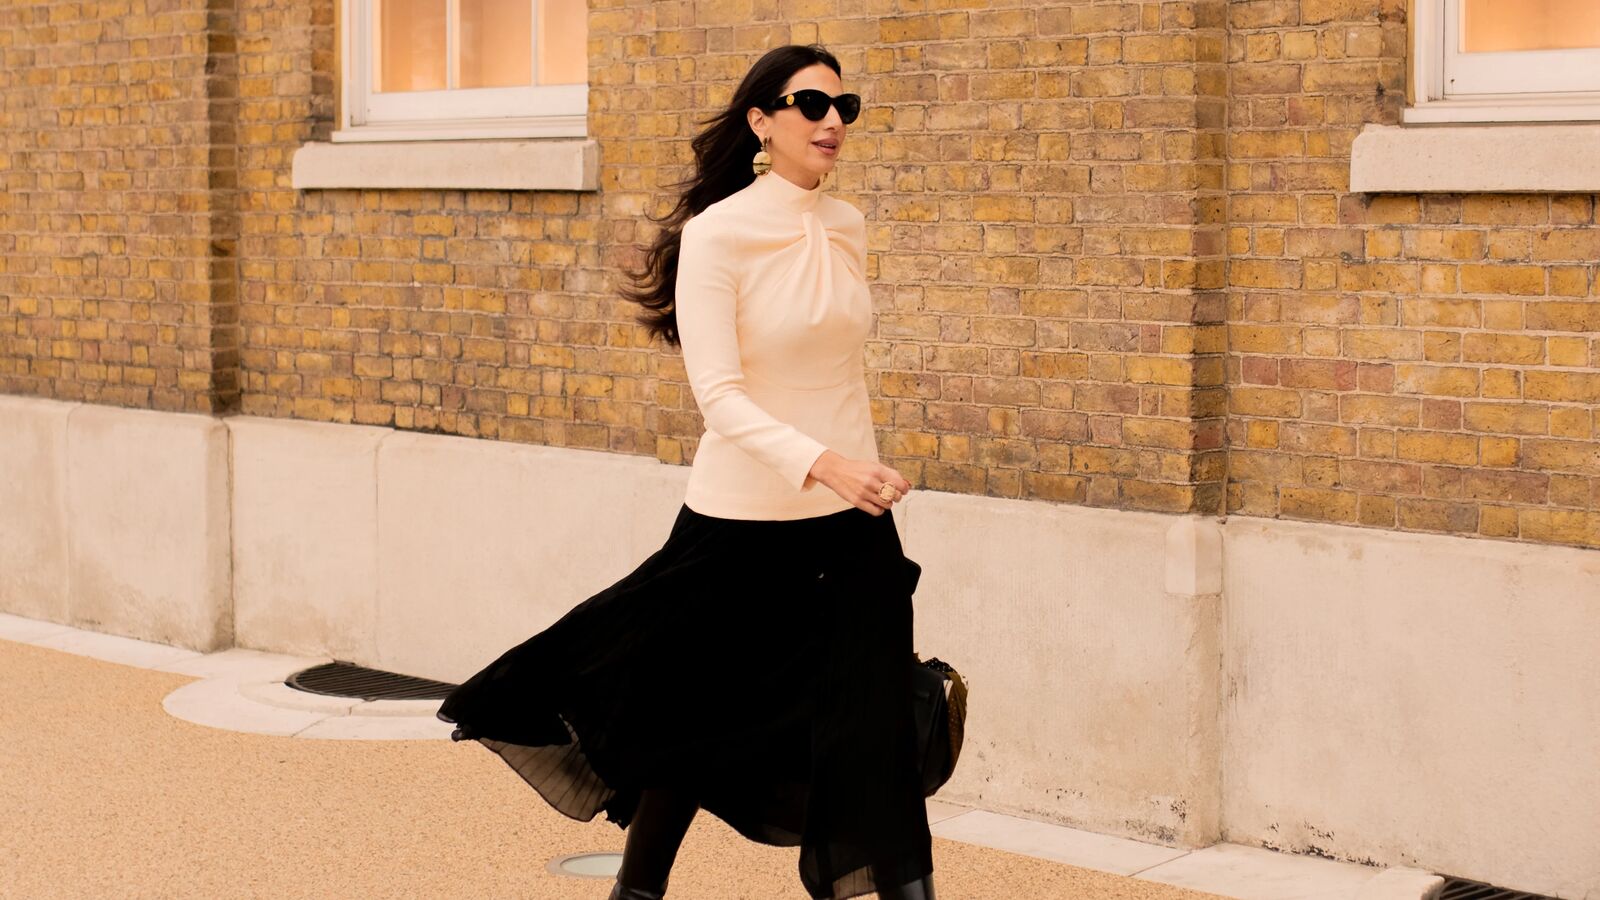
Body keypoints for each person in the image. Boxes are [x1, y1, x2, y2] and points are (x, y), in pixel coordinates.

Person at [435, 43, 937, 900]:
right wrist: (827, 466)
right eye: (811, 105)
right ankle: (637, 892)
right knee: (686, 728)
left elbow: (840, 374)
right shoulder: (718, 235)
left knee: (872, 740)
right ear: (760, 122)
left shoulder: (846, 226)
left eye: (843, 110)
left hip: (854, 534)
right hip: (738, 531)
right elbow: (722, 399)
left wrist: (862, 476)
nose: (831, 123)